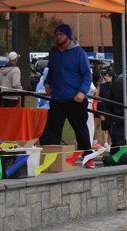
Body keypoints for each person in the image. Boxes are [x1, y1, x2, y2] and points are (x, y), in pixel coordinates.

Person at [39, 24, 93, 161]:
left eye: (61, 34)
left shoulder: (79, 52)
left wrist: (82, 92)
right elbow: (51, 71)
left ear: (68, 36)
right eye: (56, 35)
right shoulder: (53, 52)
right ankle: (51, 159)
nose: (58, 37)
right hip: (57, 98)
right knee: (53, 129)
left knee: (80, 129)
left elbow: (87, 74)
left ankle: (87, 157)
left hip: (75, 98)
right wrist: (47, 82)